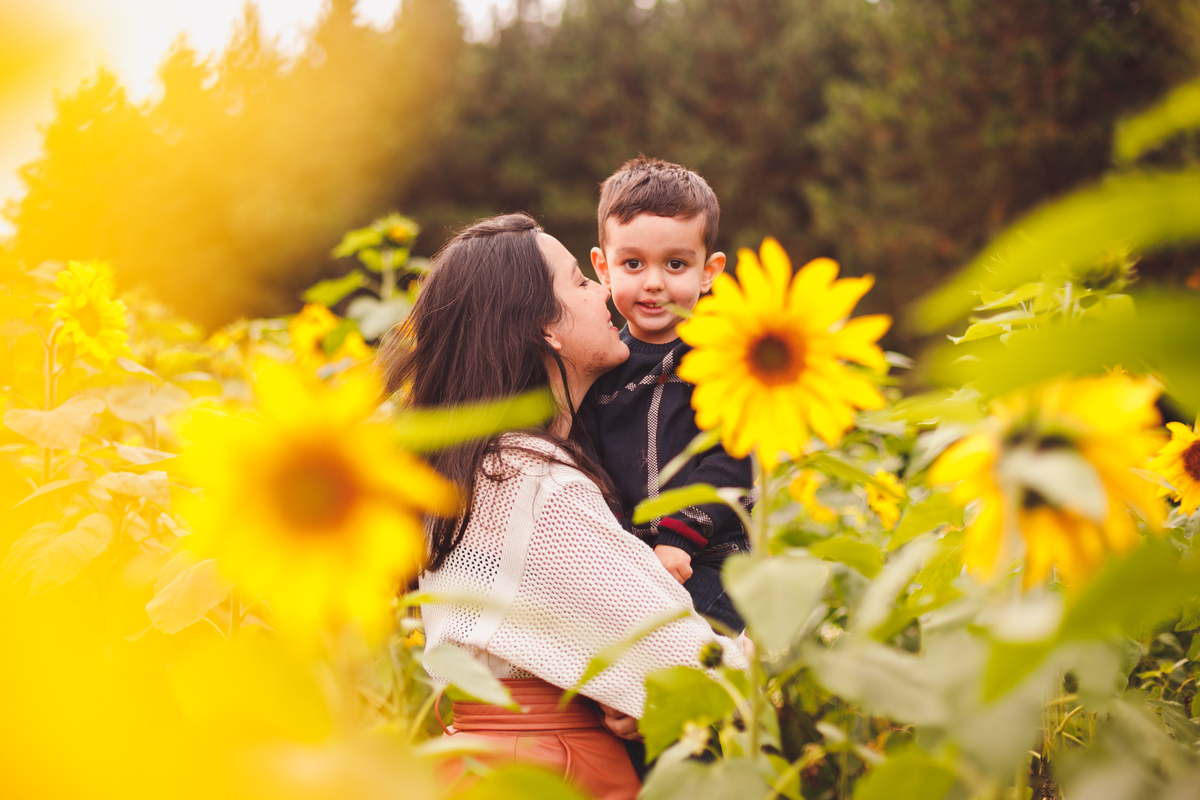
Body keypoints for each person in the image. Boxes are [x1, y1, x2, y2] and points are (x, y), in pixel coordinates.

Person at [382, 213, 745, 800]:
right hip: (554, 763)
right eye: (579, 282)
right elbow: (691, 669)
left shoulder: (484, 469)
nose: (606, 292)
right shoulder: (534, 485)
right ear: (543, 329)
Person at [578, 156, 753, 636]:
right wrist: (619, 550)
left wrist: (679, 536)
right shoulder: (601, 362)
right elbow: (589, 463)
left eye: (675, 264)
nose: (654, 282)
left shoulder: (724, 356)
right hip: (632, 565)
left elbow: (734, 456)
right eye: (633, 263)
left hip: (715, 555)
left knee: (690, 654)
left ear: (708, 271)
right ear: (603, 268)